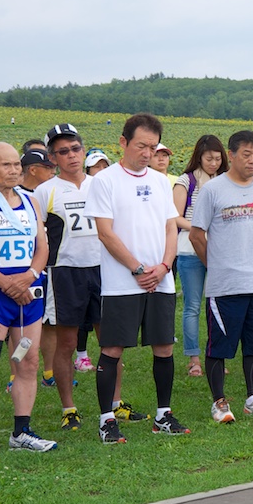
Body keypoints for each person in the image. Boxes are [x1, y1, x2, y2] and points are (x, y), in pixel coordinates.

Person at [85, 113, 188, 444]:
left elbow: (170, 226)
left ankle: (163, 414)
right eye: (141, 145)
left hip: (161, 278)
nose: (147, 152)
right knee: (113, 348)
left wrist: (164, 266)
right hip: (122, 281)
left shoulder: (161, 181)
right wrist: (137, 268)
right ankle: (106, 419)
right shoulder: (105, 181)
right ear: (123, 142)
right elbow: (105, 232)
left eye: (153, 147)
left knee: (164, 347)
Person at [35, 123, 143, 432]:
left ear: (84, 150)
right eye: (62, 152)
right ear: (53, 158)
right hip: (65, 273)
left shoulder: (101, 183)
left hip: (105, 268)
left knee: (111, 340)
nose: (71, 156)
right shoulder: (45, 191)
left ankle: (115, 403)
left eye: (75, 149)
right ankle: (69, 408)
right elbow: (39, 236)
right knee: (67, 342)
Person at [189, 131, 253, 423]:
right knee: (220, 345)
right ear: (231, 155)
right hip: (224, 284)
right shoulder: (213, 190)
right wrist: (216, 264)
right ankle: (219, 402)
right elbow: (196, 235)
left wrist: (251, 257)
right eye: (247, 154)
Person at [0, 142, 56, 455]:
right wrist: (5, 283)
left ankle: (21, 432)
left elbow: (42, 245)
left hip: (28, 293)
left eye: (16, 164)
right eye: (6, 165)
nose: (14, 170)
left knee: (28, 363)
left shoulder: (31, 201)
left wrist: (29, 276)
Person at [173, 135, 228, 377]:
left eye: (218, 159)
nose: (214, 163)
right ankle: (194, 358)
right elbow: (175, 216)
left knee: (218, 306)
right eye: (209, 159)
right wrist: (201, 228)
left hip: (220, 250)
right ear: (199, 157)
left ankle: (217, 357)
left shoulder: (225, 181)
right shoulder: (185, 181)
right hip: (189, 249)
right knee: (193, 306)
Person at [17, 149, 58, 387]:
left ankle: (48, 372)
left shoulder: (40, 196)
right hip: (20, 272)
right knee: (18, 325)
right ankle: (16, 375)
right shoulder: (15, 196)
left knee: (48, 322)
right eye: (48, 167)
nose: (53, 171)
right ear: (33, 169)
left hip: (43, 269)